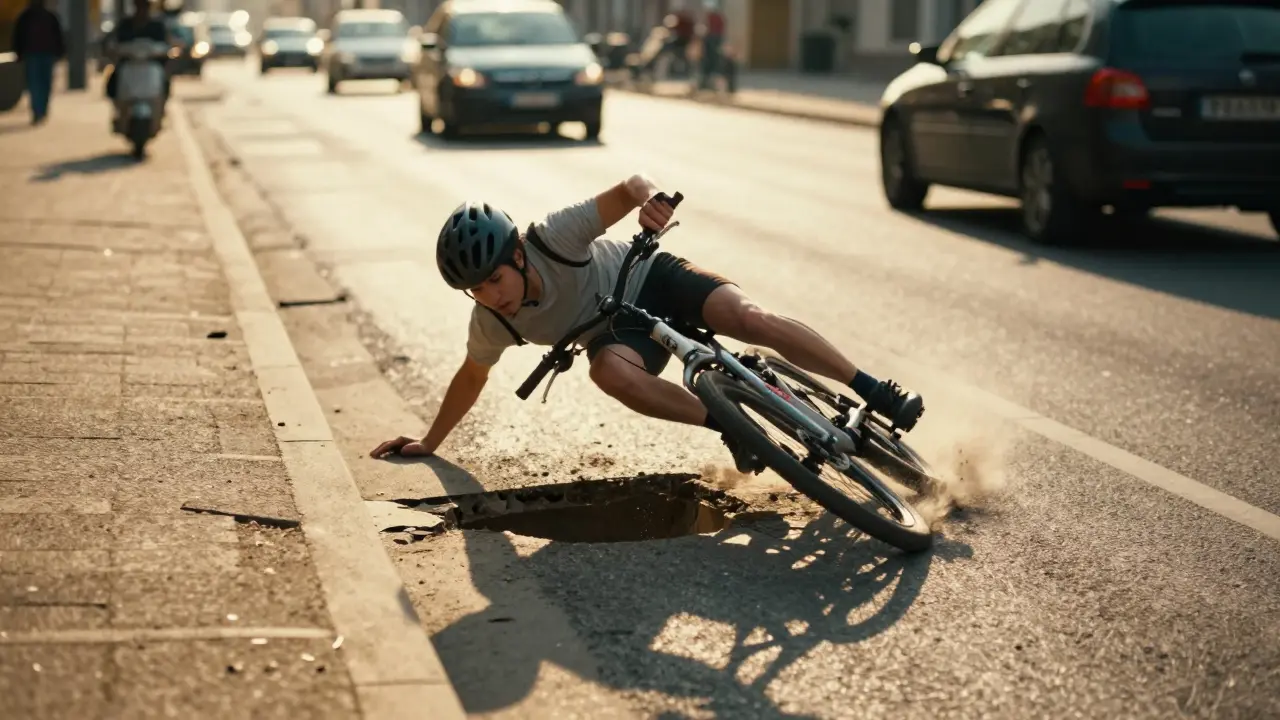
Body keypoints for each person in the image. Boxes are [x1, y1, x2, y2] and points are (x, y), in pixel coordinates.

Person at [370, 175, 925, 473]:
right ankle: (734, 425)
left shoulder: (553, 238)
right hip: (619, 331)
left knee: (744, 317)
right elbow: (471, 377)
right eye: (477, 290)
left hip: (651, 278)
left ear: (516, 254)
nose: (492, 297)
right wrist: (430, 440)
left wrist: (650, 202)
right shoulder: (491, 320)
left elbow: (632, 185)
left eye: (495, 279)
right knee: (608, 374)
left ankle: (873, 388)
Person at [104, 0, 173, 102]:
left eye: (144, 6)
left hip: (152, 67)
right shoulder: (125, 25)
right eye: (139, 6)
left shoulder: (158, 26)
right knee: (114, 83)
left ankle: (160, 108)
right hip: (128, 67)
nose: (142, 10)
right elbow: (112, 43)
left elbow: (167, 45)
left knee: (164, 83)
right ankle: (120, 110)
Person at [11, 0, 66, 125]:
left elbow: (18, 36)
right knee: (44, 83)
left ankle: (38, 110)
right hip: (44, 54)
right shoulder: (49, 16)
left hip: (34, 54)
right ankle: (41, 110)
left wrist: (18, 53)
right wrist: (60, 52)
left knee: (35, 84)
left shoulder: (26, 17)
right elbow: (58, 36)